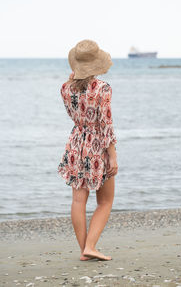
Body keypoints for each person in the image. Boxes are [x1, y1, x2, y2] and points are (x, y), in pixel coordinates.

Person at [57, 39, 118, 261]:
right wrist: (112, 155)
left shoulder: (65, 88)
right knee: (105, 201)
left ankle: (85, 249)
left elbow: (73, 112)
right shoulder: (103, 88)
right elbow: (106, 123)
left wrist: (71, 80)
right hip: (96, 145)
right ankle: (90, 246)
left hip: (75, 144)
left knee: (77, 201)